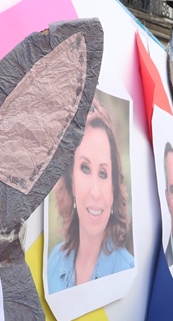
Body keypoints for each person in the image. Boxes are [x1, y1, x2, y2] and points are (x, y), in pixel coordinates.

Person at [48, 104, 134, 292]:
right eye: (85, 168)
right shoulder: (52, 263)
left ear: (113, 189)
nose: (95, 191)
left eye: (103, 173)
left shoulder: (128, 272)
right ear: (71, 182)